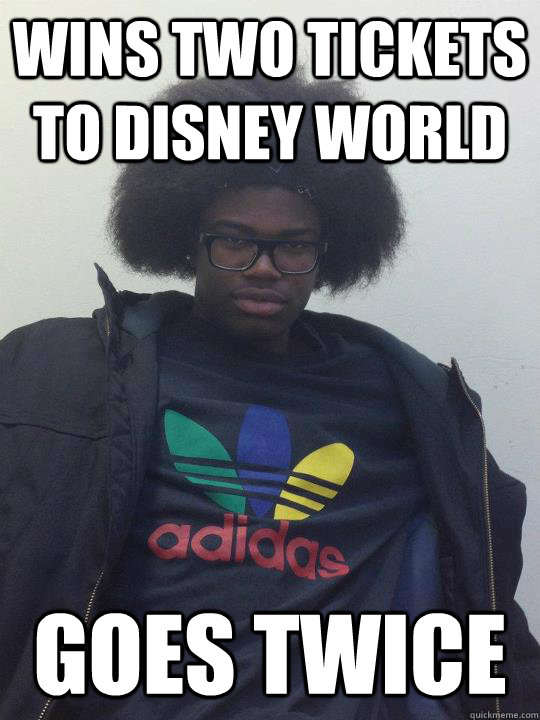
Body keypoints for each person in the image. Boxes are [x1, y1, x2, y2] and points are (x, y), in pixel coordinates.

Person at [1, 73, 538, 719]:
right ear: (188, 241)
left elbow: (482, 587)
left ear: (328, 254)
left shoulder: (402, 398)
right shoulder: (64, 370)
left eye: (293, 246)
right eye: (234, 240)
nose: (263, 267)